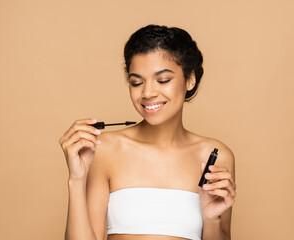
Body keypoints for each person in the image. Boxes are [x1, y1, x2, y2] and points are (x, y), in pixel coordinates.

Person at [59, 24, 237, 240]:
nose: (148, 93)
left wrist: (211, 220)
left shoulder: (216, 156)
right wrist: (76, 180)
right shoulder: (105, 148)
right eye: (136, 82)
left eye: (163, 80)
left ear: (190, 79)